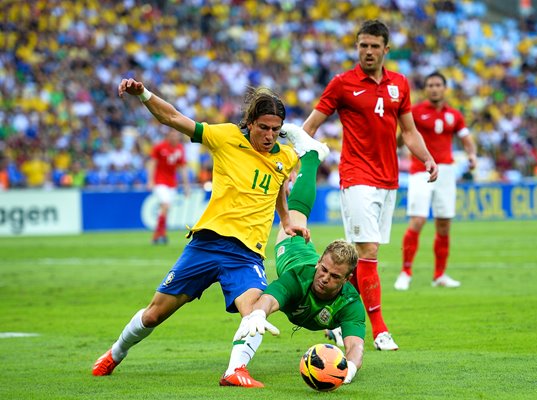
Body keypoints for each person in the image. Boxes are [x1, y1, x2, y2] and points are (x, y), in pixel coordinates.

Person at [92, 79, 327, 388]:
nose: (269, 135)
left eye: (275, 129)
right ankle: (114, 353)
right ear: (249, 123)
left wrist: (285, 221)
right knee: (153, 315)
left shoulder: (284, 157)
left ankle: (235, 371)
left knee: (256, 312)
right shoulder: (226, 137)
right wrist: (144, 94)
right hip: (207, 244)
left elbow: (277, 189)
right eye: (263, 128)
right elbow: (174, 117)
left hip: (246, 255)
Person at [300, 19, 439, 351]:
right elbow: (311, 125)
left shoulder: (399, 85)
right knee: (369, 251)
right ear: (357, 47)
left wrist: (427, 157)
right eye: (363, 45)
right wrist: (298, 164)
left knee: (358, 261)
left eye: (374, 46)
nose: (368, 51)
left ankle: (333, 319)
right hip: (356, 177)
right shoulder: (342, 84)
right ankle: (378, 329)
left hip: (388, 179)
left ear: (386, 50)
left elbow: (408, 131)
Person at [231, 127, 365, 385]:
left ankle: (309, 156)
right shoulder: (299, 278)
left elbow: (357, 346)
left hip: (324, 294)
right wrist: (259, 314)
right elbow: (268, 300)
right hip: (293, 252)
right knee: (294, 217)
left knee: (296, 213)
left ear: (347, 279)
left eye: (334, 276)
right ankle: (311, 156)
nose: (324, 278)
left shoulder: (351, 302)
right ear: (319, 263)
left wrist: (349, 370)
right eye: (323, 269)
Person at [395, 71, 477, 290]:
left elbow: (467, 140)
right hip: (420, 170)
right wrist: (399, 137)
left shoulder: (454, 115)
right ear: (425, 89)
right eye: (430, 85)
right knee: (418, 220)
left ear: (444, 88)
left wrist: (471, 155)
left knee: (444, 224)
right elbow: (401, 138)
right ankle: (406, 271)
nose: (434, 88)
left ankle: (439, 275)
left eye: (437, 85)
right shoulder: (415, 111)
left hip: (447, 172)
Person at [147, 129, 190, 244]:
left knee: (165, 209)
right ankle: (160, 234)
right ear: (168, 136)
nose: (174, 138)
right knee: (165, 205)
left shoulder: (180, 148)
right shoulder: (159, 147)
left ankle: (158, 235)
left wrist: (186, 186)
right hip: (160, 182)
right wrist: (150, 180)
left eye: (176, 136)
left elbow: (183, 168)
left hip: (172, 184)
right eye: (172, 135)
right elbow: (152, 163)